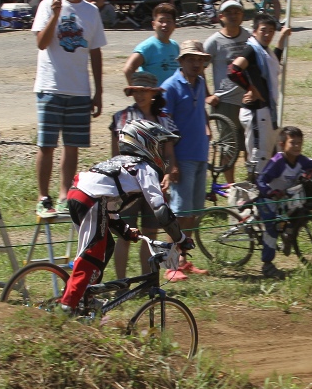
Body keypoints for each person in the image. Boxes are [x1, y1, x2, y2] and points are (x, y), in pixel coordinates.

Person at [58, 120, 192, 312]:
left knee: (105, 246)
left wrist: (126, 231)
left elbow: (109, 209)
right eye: (159, 146)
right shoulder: (144, 167)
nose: (162, 153)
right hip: (90, 200)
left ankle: (85, 296)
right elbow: (160, 210)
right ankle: (68, 304)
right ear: (146, 144)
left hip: (80, 195)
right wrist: (180, 238)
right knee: (92, 253)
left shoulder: (122, 163)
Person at [31, 0, 107, 218]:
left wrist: (98, 91)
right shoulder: (46, 6)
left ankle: (64, 194)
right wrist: (55, 14)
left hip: (79, 89)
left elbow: (95, 52)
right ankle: (43, 197)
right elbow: (41, 43)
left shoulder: (91, 12)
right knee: (46, 145)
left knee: (72, 145)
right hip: (50, 85)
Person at [108, 72, 179, 279]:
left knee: (151, 235)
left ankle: (147, 280)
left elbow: (169, 155)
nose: (140, 96)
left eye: (144, 91)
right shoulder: (122, 118)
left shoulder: (164, 120)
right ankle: (121, 281)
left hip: (153, 185)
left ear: (153, 93)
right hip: (127, 185)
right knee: (124, 235)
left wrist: (166, 175)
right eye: (136, 91)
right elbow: (115, 155)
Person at [161, 39, 212, 281]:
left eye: (200, 59)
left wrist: (208, 130)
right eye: (191, 58)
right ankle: (170, 265)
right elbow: (164, 128)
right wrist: (171, 164)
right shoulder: (170, 87)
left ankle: (182, 259)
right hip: (181, 157)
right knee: (178, 214)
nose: (196, 63)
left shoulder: (201, 82)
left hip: (200, 153)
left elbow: (201, 110)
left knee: (192, 213)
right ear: (181, 61)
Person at [255, 126, 312, 280]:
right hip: (268, 199)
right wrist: (269, 192)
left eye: (299, 143)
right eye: (293, 143)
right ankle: (267, 265)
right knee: (272, 228)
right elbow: (261, 180)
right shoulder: (277, 162)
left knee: (301, 212)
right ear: (282, 145)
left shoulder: (301, 160)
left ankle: (288, 235)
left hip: (286, 199)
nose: (297, 147)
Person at [226, 12, 291, 175]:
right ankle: (256, 192)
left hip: (266, 110)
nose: (268, 34)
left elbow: (273, 62)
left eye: (271, 31)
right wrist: (250, 88)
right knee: (259, 155)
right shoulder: (251, 50)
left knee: (273, 151)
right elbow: (233, 70)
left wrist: (282, 39)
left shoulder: (265, 52)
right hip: (255, 112)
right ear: (255, 31)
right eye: (264, 30)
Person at [203, 0, 252, 182]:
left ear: (242, 15)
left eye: (237, 12)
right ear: (221, 17)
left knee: (250, 145)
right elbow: (199, 69)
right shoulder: (213, 42)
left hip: (249, 100)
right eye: (229, 13)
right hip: (225, 103)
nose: (233, 16)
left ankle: (250, 183)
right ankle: (231, 186)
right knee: (228, 147)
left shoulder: (249, 37)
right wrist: (208, 95)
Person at [123, 3, 180, 87]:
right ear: (154, 24)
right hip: (155, 98)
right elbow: (128, 69)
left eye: (169, 21)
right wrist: (138, 92)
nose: (165, 25)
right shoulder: (148, 47)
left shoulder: (175, 46)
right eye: (161, 21)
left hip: (172, 97)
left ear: (174, 25)